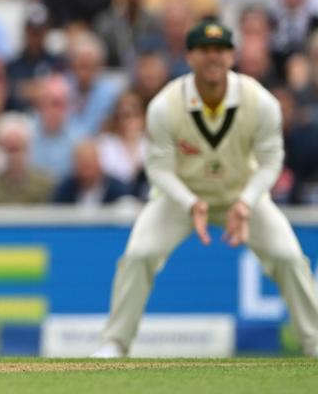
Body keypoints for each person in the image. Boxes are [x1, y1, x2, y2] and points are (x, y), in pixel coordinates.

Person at [94, 18, 318, 358]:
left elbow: (272, 161)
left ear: (232, 55)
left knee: (288, 256)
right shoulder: (165, 105)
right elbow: (158, 168)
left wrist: (245, 202)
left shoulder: (261, 102)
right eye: (204, 50)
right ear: (189, 56)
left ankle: (314, 342)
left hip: (242, 196)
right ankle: (115, 343)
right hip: (180, 198)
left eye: (220, 50)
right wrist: (189, 203)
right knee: (139, 254)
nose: (213, 57)